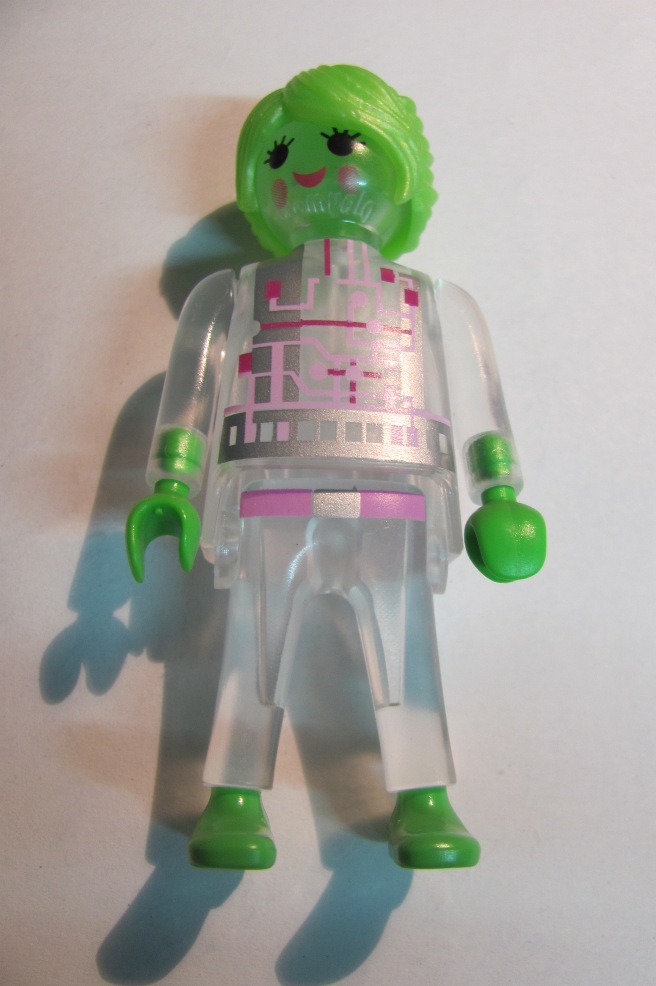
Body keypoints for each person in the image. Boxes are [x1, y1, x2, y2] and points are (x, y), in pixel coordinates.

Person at [127, 64, 546, 870]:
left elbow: (479, 398)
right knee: (250, 653)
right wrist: (172, 483)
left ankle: (424, 797)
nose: (312, 174)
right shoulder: (236, 291)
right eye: (281, 157)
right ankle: (232, 797)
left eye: (342, 146)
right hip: (269, 492)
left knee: (408, 658)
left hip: (394, 496)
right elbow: (195, 388)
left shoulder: (432, 300)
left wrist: (499, 491)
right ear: (259, 189)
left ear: (401, 175)